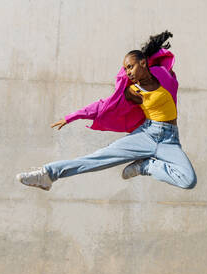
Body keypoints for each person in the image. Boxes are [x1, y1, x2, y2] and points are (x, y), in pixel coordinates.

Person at [16, 31, 197, 191]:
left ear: (143, 63)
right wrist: (73, 116)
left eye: (130, 67)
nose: (128, 73)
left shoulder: (161, 73)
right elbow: (103, 105)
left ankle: (145, 167)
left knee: (188, 180)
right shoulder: (133, 91)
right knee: (98, 158)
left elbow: (172, 83)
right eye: (126, 69)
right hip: (147, 135)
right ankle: (47, 174)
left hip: (170, 140)